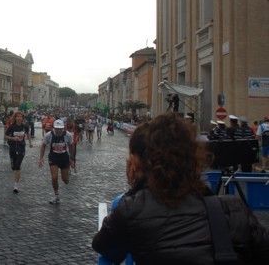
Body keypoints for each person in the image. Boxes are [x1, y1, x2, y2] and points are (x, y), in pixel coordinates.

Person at [92, 112, 269, 264]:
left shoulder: (130, 210)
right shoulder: (234, 209)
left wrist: (135, 188)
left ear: (136, 164)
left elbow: (102, 246)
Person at [38, 119, 73, 204]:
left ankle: (67, 174)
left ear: (63, 128)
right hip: (53, 157)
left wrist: (72, 159)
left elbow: (71, 146)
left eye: (60, 128)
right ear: (54, 128)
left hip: (64, 157)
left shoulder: (68, 135)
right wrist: (41, 158)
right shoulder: (49, 135)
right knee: (54, 177)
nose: (58, 130)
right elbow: (43, 146)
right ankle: (56, 195)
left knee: (65, 180)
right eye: (56, 128)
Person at [4, 111, 32, 193]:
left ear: (23, 118)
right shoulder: (12, 127)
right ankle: (14, 166)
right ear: (15, 118)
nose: (19, 118)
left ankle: (16, 185)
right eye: (18, 116)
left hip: (21, 147)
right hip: (12, 147)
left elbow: (28, 134)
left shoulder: (25, 126)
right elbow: (5, 136)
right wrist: (13, 138)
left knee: (17, 166)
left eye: (21, 116)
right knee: (13, 167)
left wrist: (30, 142)